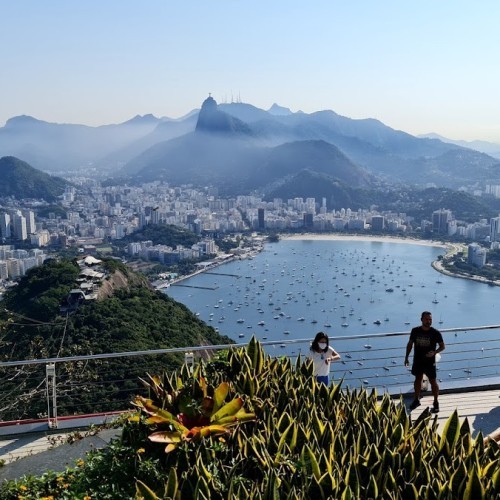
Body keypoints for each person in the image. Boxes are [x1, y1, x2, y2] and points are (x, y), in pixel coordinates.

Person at [405, 311, 445, 413]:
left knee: (433, 381)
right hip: (418, 360)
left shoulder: (435, 333)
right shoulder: (415, 331)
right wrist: (406, 357)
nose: (429, 321)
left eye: (430, 319)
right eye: (427, 319)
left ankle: (436, 403)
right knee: (417, 379)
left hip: (429, 362)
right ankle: (416, 399)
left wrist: (435, 352)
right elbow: (410, 344)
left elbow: (442, 346)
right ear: (421, 319)